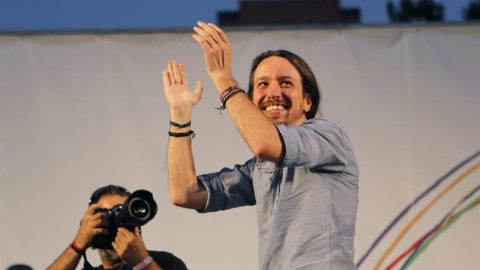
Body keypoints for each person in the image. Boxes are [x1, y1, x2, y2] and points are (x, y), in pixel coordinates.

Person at [163, 21, 359, 270]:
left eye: (286, 83)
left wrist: (223, 78)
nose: (273, 93)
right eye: (262, 84)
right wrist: (180, 115)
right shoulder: (260, 169)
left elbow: (265, 143)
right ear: (252, 100)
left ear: (308, 101)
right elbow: (184, 194)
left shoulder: (329, 135)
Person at [47, 185, 188, 270]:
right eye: (108, 217)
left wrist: (143, 263)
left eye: (123, 215)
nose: (117, 224)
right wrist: (78, 245)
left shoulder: (164, 262)